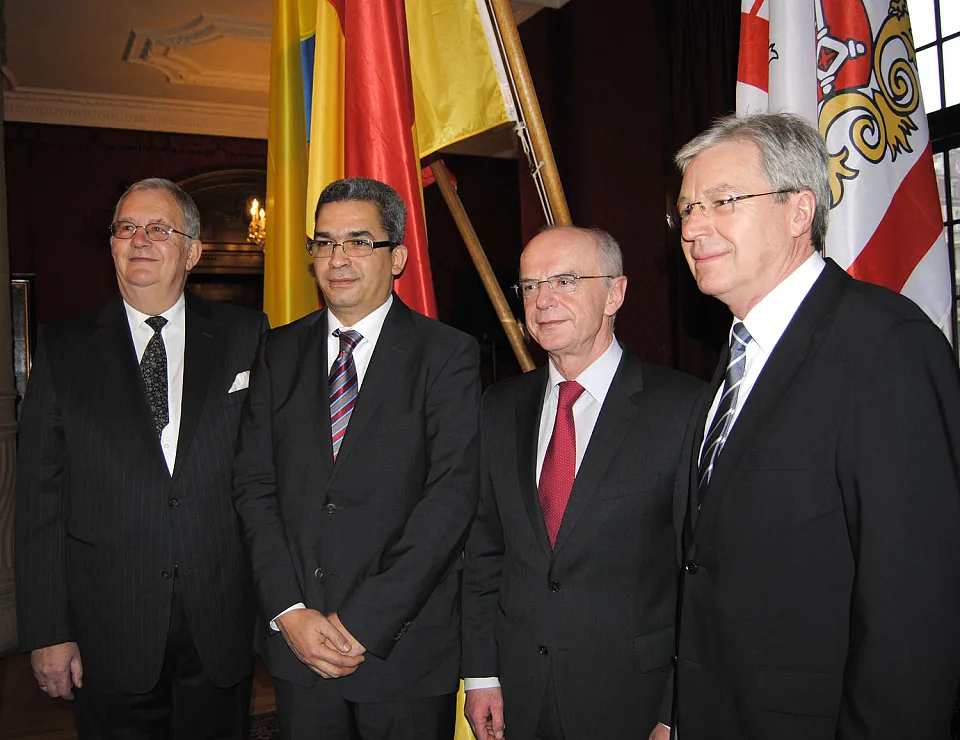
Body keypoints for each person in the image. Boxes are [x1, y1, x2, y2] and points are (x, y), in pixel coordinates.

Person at [673, 112, 960, 739]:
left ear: (799, 211)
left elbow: (914, 607)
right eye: (687, 209)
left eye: (721, 201)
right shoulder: (736, 357)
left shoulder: (885, 345)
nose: (694, 228)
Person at [15, 177, 267, 738]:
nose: (140, 239)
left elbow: (265, 477)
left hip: (221, 618)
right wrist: (46, 629)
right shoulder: (63, 348)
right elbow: (39, 500)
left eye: (159, 228)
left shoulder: (246, 335)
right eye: (126, 227)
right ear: (111, 246)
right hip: (110, 621)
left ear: (193, 251)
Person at [232, 176, 480, 740]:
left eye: (359, 241)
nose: (337, 257)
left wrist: (362, 623)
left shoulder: (447, 355)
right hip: (300, 645)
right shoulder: (275, 352)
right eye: (323, 242)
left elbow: (449, 501)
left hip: (404, 650)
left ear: (398, 257)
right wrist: (289, 612)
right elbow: (253, 488)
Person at [461, 226, 704, 740]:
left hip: (633, 701)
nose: (543, 300)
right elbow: (484, 551)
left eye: (565, 280)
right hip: (519, 698)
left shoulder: (684, 408)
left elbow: (700, 575)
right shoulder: (498, 408)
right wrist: (481, 673)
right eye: (529, 286)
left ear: (615, 292)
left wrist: (675, 709)